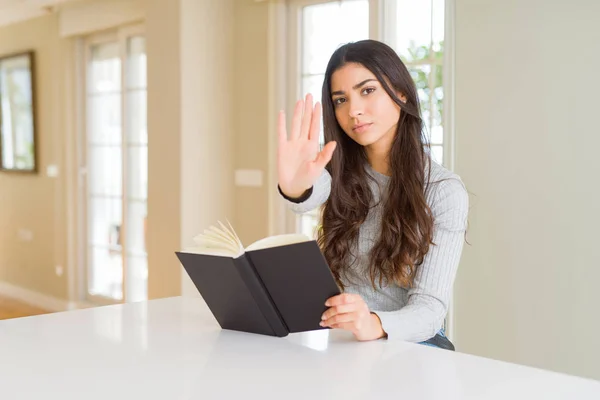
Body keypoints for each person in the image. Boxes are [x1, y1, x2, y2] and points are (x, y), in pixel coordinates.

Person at [277, 39, 469, 349]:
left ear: (401, 93)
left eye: (367, 91)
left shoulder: (443, 191)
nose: (353, 110)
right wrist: (294, 186)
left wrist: (373, 323)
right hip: (346, 340)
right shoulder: (339, 172)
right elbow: (307, 196)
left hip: (413, 343)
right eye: (340, 100)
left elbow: (430, 312)